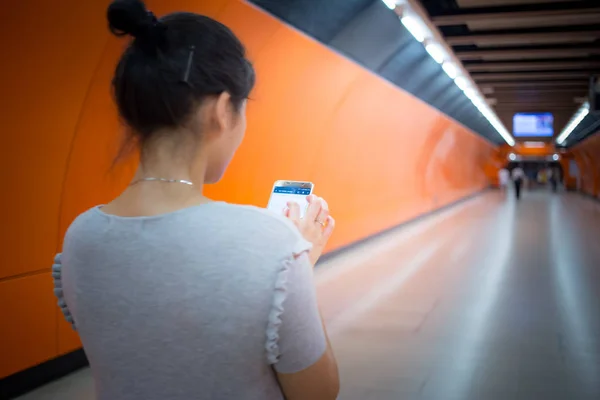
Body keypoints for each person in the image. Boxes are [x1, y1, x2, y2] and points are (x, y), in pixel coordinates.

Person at [51, 1, 340, 399]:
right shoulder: (271, 243)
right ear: (222, 110)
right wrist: (298, 268)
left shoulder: (80, 238)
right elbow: (317, 393)